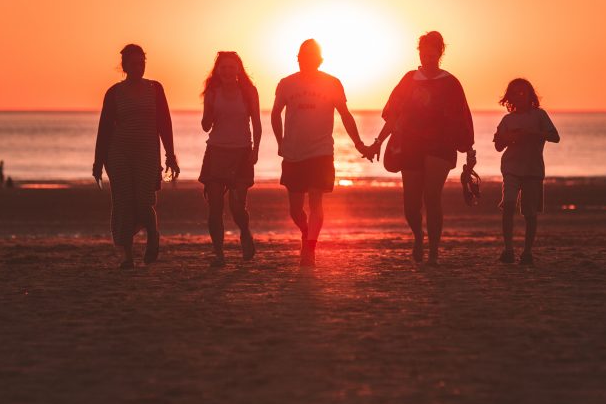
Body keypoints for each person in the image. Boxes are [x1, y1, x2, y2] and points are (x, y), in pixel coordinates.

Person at [366, 31, 475, 265]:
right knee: (411, 202)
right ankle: (418, 237)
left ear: (440, 53)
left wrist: (469, 150)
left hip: (441, 145)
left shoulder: (451, 83)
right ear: (419, 52)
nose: (427, 58)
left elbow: (461, 118)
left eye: (432, 54)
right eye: (423, 53)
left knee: (432, 196)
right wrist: (378, 142)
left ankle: (433, 250)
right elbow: (393, 116)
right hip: (410, 144)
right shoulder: (409, 79)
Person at [271, 39, 370, 267]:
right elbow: (275, 113)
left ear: (320, 60)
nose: (306, 61)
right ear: (297, 59)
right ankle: (306, 233)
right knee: (295, 210)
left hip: (321, 152)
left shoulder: (332, 83)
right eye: (302, 57)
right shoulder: (287, 84)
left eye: (311, 57)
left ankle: (310, 248)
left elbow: (345, 114)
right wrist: (280, 142)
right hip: (293, 153)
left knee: (316, 203)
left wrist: (358, 143)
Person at [93, 44, 180, 269]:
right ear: (124, 66)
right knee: (123, 203)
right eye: (134, 63)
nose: (139, 67)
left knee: (144, 201)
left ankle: (153, 234)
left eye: (142, 62)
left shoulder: (155, 89)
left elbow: (164, 123)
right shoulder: (114, 93)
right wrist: (98, 162)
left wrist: (171, 155)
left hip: (147, 154)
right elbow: (104, 129)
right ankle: (127, 257)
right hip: (119, 153)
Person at [199, 51, 262, 267]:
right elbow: (205, 125)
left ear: (238, 70)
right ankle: (219, 253)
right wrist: (209, 114)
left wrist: (256, 150)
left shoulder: (248, 92)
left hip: (242, 152)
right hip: (216, 151)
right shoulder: (212, 92)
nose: (227, 71)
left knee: (236, 206)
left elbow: (257, 122)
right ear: (218, 70)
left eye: (231, 67)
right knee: (214, 207)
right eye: (223, 67)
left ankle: (245, 233)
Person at [492, 78, 560, 265]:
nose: (520, 96)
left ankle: (527, 252)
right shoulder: (508, 119)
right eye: (515, 93)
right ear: (509, 97)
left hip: (533, 170)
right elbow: (498, 145)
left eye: (523, 92)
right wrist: (510, 138)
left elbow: (555, 137)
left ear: (531, 95)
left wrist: (533, 134)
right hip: (511, 168)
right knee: (508, 205)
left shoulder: (539, 116)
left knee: (530, 213)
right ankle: (508, 250)